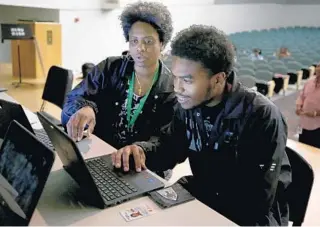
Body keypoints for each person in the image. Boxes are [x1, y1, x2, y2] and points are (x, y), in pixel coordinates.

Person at [112, 25, 292, 226]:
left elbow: (257, 201)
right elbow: (169, 148)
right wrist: (140, 151)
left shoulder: (261, 115)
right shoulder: (187, 105)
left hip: (251, 213)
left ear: (218, 80)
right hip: (208, 192)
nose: (177, 88)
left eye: (187, 80)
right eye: (176, 78)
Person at [61, 1, 175, 179]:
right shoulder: (109, 68)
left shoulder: (172, 89)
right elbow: (72, 99)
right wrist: (83, 108)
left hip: (143, 169)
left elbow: (169, 144)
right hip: (101, 156)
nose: (140, 48)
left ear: (162, 44)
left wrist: (140, 149)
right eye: (134, 41)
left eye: (148, 41)